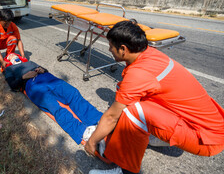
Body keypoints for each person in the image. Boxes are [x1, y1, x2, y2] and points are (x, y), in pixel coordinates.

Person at [85, 21, 224, 174]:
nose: (109, 49)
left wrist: (92, 141)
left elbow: (111, 117)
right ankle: (149, 134)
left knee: (132, 111)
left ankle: (126, 171)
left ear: (123, 49)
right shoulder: (150, 54)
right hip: (210, 126)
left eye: (111, 45)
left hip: (205, 139)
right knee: (127, 94)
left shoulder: (139, 74)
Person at [3, 54, 103, 145]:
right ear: (8, 60)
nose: (12, 54)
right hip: (31, 84)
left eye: (14, 54)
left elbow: (45, 70)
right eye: (9, 55)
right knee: (54, 106)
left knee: (72, 93)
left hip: (48, 78)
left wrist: (42, 70)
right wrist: (24, 76)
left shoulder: (29, 62)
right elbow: (13, 85)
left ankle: (96, 119)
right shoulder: (9, 69)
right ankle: (83, 132)